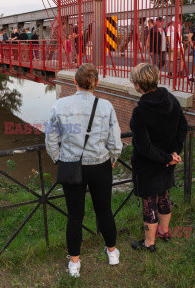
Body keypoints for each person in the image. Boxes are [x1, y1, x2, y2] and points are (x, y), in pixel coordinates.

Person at [45, 63, 123, 278]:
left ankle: (74, 264)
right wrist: (113, 158)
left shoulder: (60, 105)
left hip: (71, 166)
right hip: (100, 165)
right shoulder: (106, 106)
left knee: (75, 216)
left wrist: (58, 159)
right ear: (95, 83)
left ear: (74, 82)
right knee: (104, 210)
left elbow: (51, 138)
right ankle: (112, 252)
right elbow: (115, 141)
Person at [128, 63, 188, 252]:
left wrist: (166, 157)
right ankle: (164, 231)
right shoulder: (170, 99)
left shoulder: (140, 111)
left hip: (148, 164)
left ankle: (149, 243)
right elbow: (183, 127)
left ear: (138, 85)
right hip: (167, 161)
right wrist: (173, 154)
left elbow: (144, 147)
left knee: (149, 202)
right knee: (164, 196)